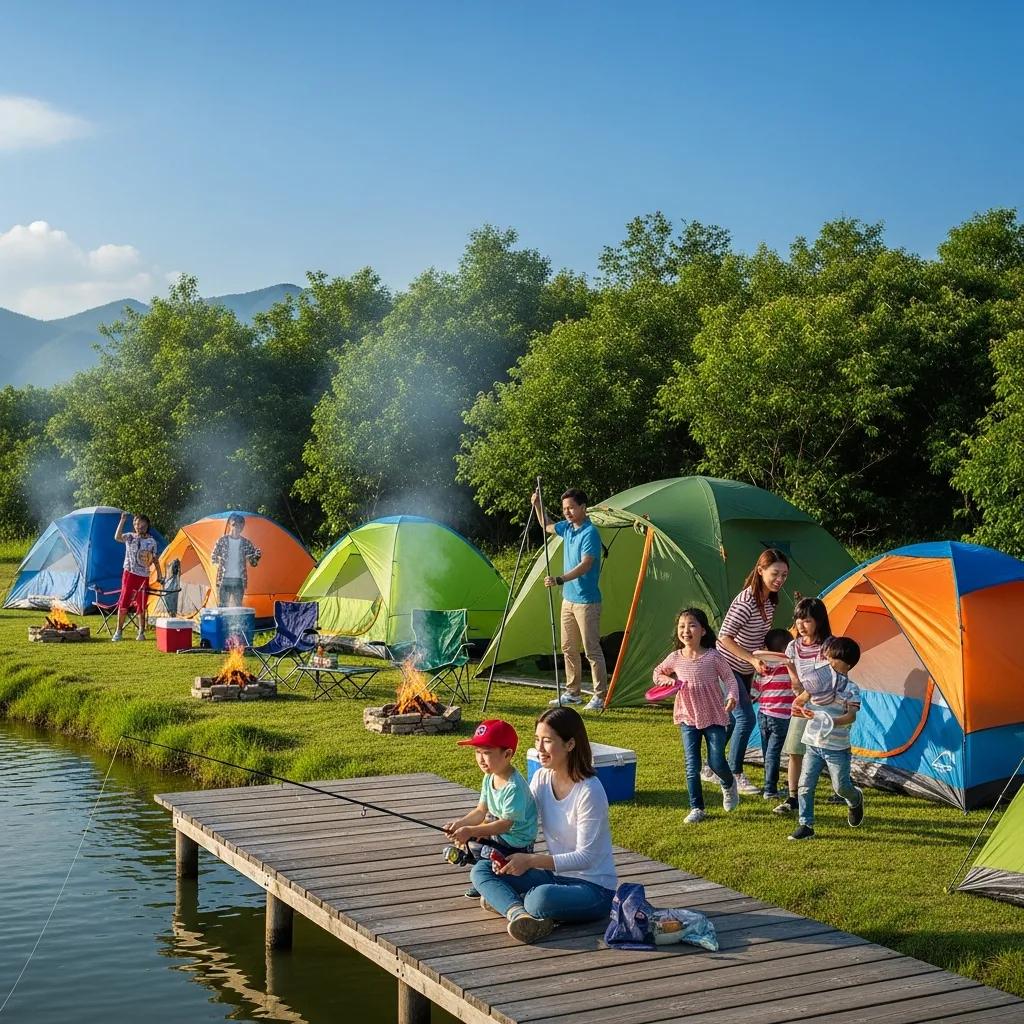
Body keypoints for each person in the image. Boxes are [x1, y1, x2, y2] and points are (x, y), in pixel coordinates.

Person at [470, 707, 617, 943]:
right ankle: (517, 914)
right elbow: (519, 819)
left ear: (570, 744)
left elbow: (586, 858)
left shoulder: (590, 791)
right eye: (537, 740)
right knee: (482, 869)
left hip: (593, 889)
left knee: (539, 899)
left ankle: (512, 901)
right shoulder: (541, 777)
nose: (538, 749)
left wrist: (529, 861)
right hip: (555, 876)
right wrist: (480, 833)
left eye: (547, 741)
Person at [713, 548, 790, 796]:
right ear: (760, 570)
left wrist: (763, 658)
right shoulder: (746, 601)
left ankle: (711, 766)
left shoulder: (769, 601)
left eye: (784, 576)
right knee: (745, 719)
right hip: (726, 666)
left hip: (746, 667)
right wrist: (751, 660)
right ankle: (734, 774)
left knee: (732, 720)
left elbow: (756, 637)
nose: (780, 580)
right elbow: (724, 637)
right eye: (775, 573)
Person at [652, 608, 740, 824]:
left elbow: (729, 679)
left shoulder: (712, 656)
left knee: (716, 760)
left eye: (692, 625)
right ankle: (697, 807)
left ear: (702, 630)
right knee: (692, 765)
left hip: (714, 715)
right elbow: (657, 673)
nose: (686, 630)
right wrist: (668, 681)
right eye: (682, 626)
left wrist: (732, 696)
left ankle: (729, 784)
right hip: (687, 716)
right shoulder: (675, 657)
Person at [443, 719, 538, 900]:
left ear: (507, 754)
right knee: (472, 843)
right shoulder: (490, 777)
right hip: (499, 836)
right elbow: (480, 811)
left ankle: (494, 883)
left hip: (516, 843)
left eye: (486, 753)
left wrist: (470, 830)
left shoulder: (514, 787)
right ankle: (488, 879)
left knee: (485, 852)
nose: (480, 758)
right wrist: (459, 824)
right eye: (477, 752)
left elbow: (505, 825)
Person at [531, 487, 607, 711]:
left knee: (591, 648)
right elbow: (546, 526)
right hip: (568, 600)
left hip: (587, 601)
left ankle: (600, 695)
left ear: (583, 508)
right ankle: (572, 692)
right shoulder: (568, 529)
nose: (567, 512)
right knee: (568, 647)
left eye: (571, 507)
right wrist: (537, 505)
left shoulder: (589, 532)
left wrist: (560, 579)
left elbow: (586, 564)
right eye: (565, 508)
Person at [788, 635, 865, 840]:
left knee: (841, 787)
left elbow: (850, 716)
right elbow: (800, 701)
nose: (828, 663)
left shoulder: (851, 689)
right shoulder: (817, 682)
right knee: (805, 785)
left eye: (832, 659)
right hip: (813, 743)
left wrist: (828, 720)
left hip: (837, 748)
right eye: (827, 658)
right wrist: (799, 708)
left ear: (847, 664)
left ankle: (855, 798)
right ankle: (806, 825)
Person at [773, 596, 834, 814]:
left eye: (806, 620)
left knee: (827, 750)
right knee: (794, 750)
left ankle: (839, 789)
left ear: (819, 621)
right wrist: (795, 680)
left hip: (824, 706)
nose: (801, 624)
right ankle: (792, 797)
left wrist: (805, 694)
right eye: (798, 619)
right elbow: (791, 666)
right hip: (801, 706)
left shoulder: (828, 646)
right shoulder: (793, 645)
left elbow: (826, 678)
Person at [752, 627, 795, 802]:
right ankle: (770, 789)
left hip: (763, 715)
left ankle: (769, 785)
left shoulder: (762, 667)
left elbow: (755, 691)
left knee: (767, 752)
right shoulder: (789, 668)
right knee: (773, 753)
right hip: (781, 717)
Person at [112, 511, 162, 642]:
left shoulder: (152, 542)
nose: (138, 526)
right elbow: (117, 537)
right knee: (124, 601)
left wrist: (160, 575)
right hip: (129, 573)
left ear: (146, 525)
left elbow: (155, 560)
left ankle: (141, 632)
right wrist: (122, 521)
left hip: (143, 576)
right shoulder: (130, 537)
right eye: (136, 523)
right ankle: (118, 631)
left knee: (141, 604)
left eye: (140, 523)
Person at [210, 513, 262, 608]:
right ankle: (222, 623)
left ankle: (235, 623)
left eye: (241, 526)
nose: (239, 528)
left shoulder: (246, 543)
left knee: (238, 608)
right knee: (222, 608)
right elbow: (213, 557)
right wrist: (220, 565)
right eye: (237, 525)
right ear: (231, 524)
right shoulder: (222, 540)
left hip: (239, 581)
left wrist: (256, 557)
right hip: (224, 580)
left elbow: (253, 563)